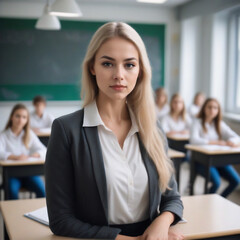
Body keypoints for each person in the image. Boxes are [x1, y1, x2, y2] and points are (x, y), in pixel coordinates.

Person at [45, 22, 183, 240]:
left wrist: (162, 222)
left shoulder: (153, 127)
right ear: (92, 67)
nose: (119, 75)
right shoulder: (66, 130)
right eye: (108, 64)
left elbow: (172, 197)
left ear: (140, 71)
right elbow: (60, 221)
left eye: (129, 65)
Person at [190, 98, 240, 197]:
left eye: (215, 108)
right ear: (204, 108)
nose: (212, 110)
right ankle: (206, 201)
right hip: (201, 160)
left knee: (236, 181)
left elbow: (236, 137)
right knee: (216, 182)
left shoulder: (219, 124)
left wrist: (231, 141)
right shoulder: (197, 122)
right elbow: (193, 140)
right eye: (209, 107)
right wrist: (216, 142)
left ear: (218, 110)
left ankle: (219, 199)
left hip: (218, 160)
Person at [0, 103, 46, 199]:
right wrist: (15, 157)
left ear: (27, 120)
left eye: (24, 117)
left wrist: (37, 154)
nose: (20, 120)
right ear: (12, 117)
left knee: (43, 190)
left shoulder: (29, 134)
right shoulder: (3, 135)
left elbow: (44, 150)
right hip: (12, 175)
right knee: (12, 192)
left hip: (28, 173)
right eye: (18, 116)